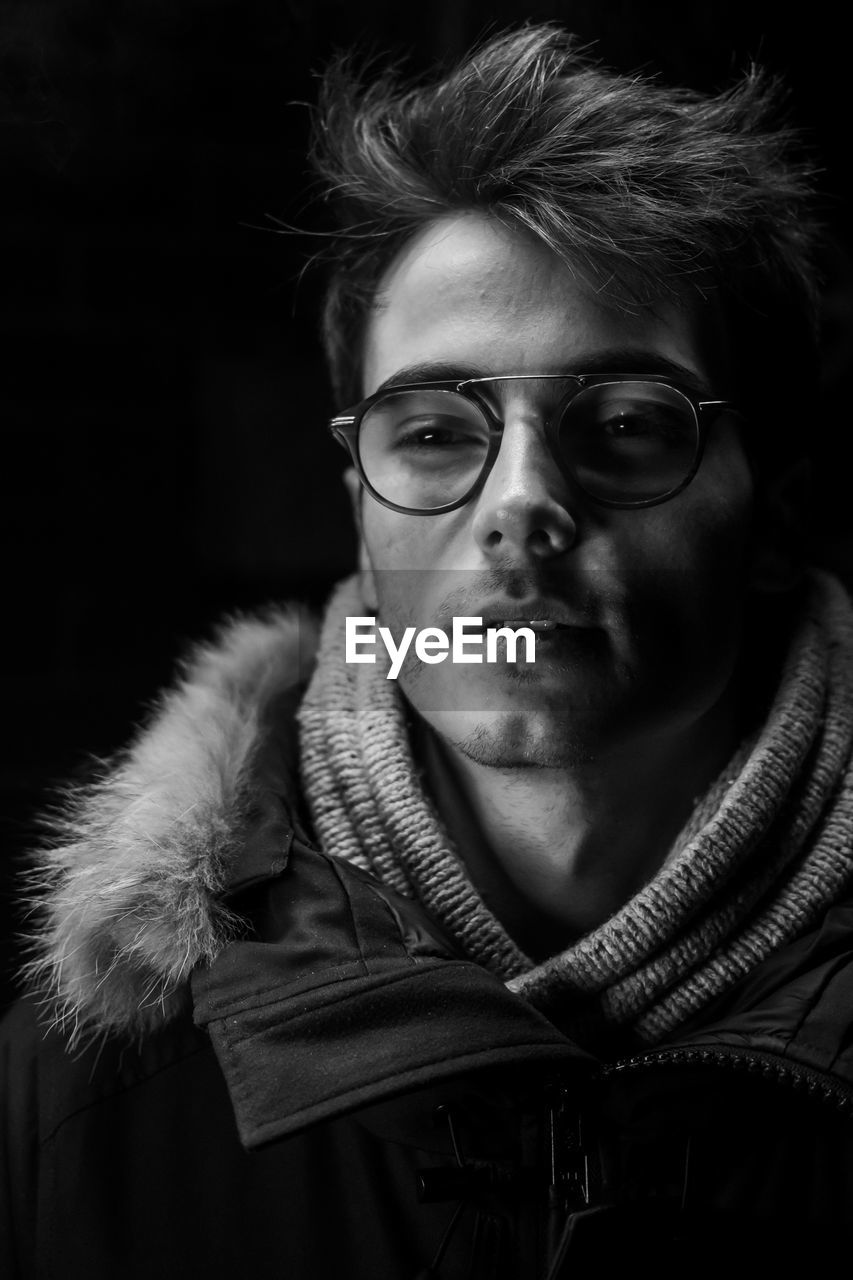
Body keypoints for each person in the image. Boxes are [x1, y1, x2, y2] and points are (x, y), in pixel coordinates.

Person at [3, 21, 853, 1278]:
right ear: (356, 496)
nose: (521, 502)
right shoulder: (81, 1093)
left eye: (625, 424)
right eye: (436, 433)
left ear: (775, 514)